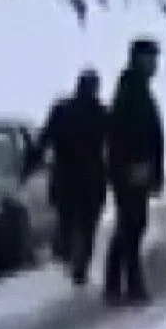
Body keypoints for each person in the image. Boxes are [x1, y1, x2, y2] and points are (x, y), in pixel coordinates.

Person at [22, 68, 109, 286]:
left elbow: (44, 140)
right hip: (90, 177)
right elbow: (115, 145)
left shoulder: (62, 110)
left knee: (68, 219)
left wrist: (28, 166)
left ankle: (70, 253)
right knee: (88, 224)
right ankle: (80, 263)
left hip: (66, 175)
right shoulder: (101, 114)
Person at [104, 37, 165, 305]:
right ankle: (129, 284)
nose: (154, 64)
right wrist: (132, 167)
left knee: (132, 225)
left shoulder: (138, 90)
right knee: (131, 225)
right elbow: (123, 135)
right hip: (131, 171)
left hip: (136, 170)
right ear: (138, 59)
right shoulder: (131, 92)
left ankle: (118, 283)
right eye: (150, 59)